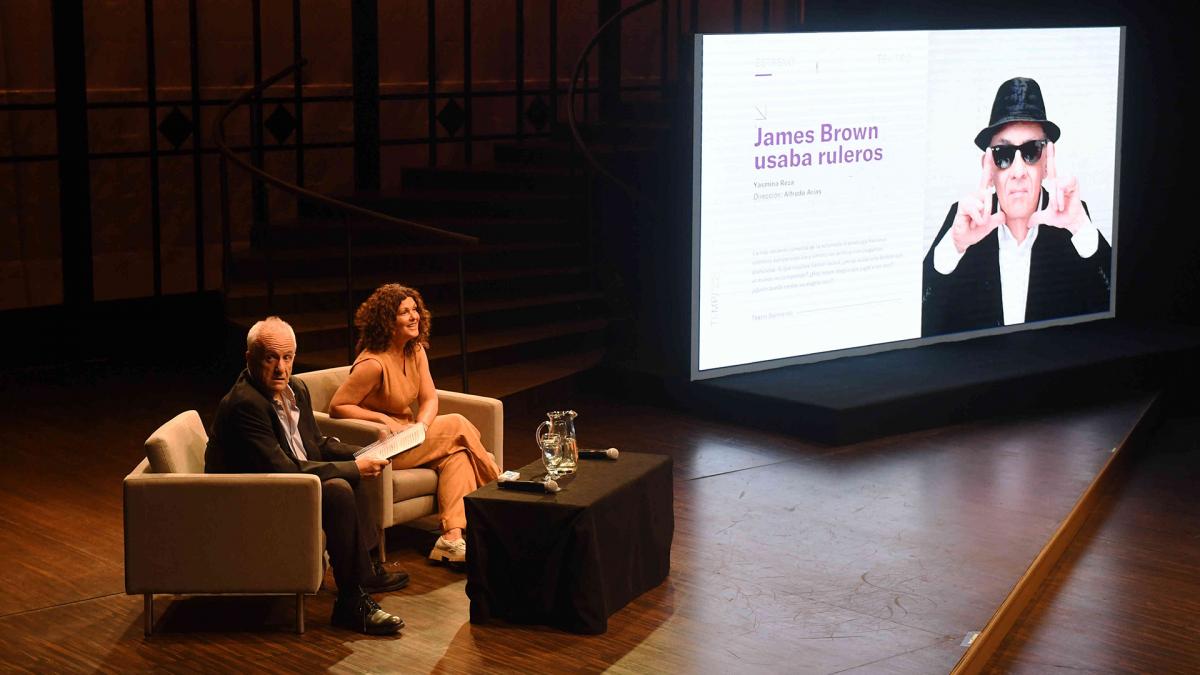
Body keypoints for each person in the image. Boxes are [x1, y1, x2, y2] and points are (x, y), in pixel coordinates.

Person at [205, 316, 408, 635]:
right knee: (340, 487)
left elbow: (313, 445)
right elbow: (283, 467)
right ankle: (351, 603)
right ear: (250, 359)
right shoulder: (245, 404)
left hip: (285, 486)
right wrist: (355, 467)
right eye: (271, 358)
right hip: (247, 500)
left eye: (287, 358)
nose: (281, 368)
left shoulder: (295, 388)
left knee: (353, 475)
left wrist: (365, 452)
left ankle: (364, 572)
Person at [921, 77, 1112, 337]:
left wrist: (1081, 229)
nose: (1018, 171)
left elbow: (1119, 319)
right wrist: (954, 248)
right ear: (987, 166)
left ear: (1046, 161)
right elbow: (923, 321)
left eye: (1032, 151)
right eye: (1003, 154)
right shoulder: (964, 222)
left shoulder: (1074, 220)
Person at [329, 284, 500, 566]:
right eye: (404, 312)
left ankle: (451, 539)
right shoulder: (373, 363)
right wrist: (383, 420)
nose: (414, 316)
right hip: (385, 445)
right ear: (387, 321)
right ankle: (500, 484)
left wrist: (421, 426)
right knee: (457, 424)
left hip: (412, 436)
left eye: (415, 310)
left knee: (458, 455)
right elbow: (338, 406)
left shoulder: (415, 349)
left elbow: (430, 397)